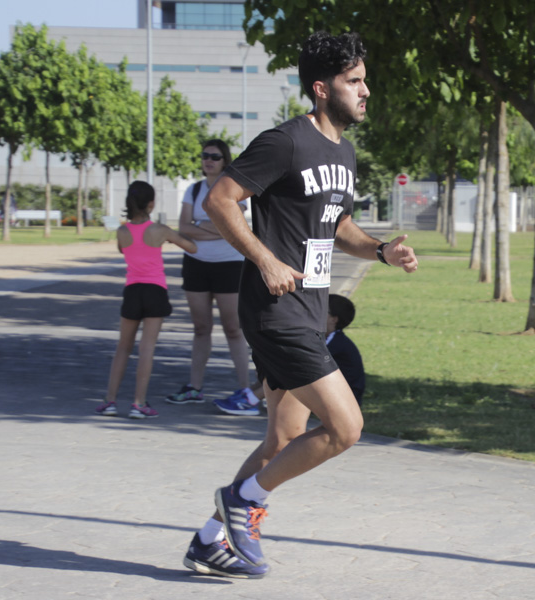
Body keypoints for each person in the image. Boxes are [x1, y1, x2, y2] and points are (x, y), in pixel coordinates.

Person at [180, 31, 418, 579]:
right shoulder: (284, 142)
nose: (365, 91)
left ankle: (209, 539)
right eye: (353, 81)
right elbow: (221, 200)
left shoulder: (344, 152)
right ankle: (244, 503)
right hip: (275, 311)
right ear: (320, 88)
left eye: (364, 80)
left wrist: (382, 250)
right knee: (345, 426)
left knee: (284, 439)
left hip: (310, 308)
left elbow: (337, 226)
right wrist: (264, 259)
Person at [165, 139, 261, 416]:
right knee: (200, 328)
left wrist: (201, 227)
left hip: (230, 266)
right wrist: (216, 229)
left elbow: (236, 226)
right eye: (205, 155)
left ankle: (245, 388)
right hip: (196, 264)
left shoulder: (232, 188)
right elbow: (183, 227)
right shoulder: (193, 190)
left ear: (225, 160)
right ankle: (194, 387)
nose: (209, 160)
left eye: (215, 157)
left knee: (233, 329)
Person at [96, 181, 197, 420]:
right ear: (151, 204)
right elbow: (191, 248)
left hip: (132, 290)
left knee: (123, 347)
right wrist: (176, 236)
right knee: (147, 348)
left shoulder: (122, 231)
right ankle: (138, 403)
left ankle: (110, 400)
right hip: (154, 290)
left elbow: (124, 250)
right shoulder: (160, 230)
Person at [326, 294, 365, 406]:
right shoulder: (332, 340)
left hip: (346, 400)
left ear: (333, 319)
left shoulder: (336, 344)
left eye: (320, 310)